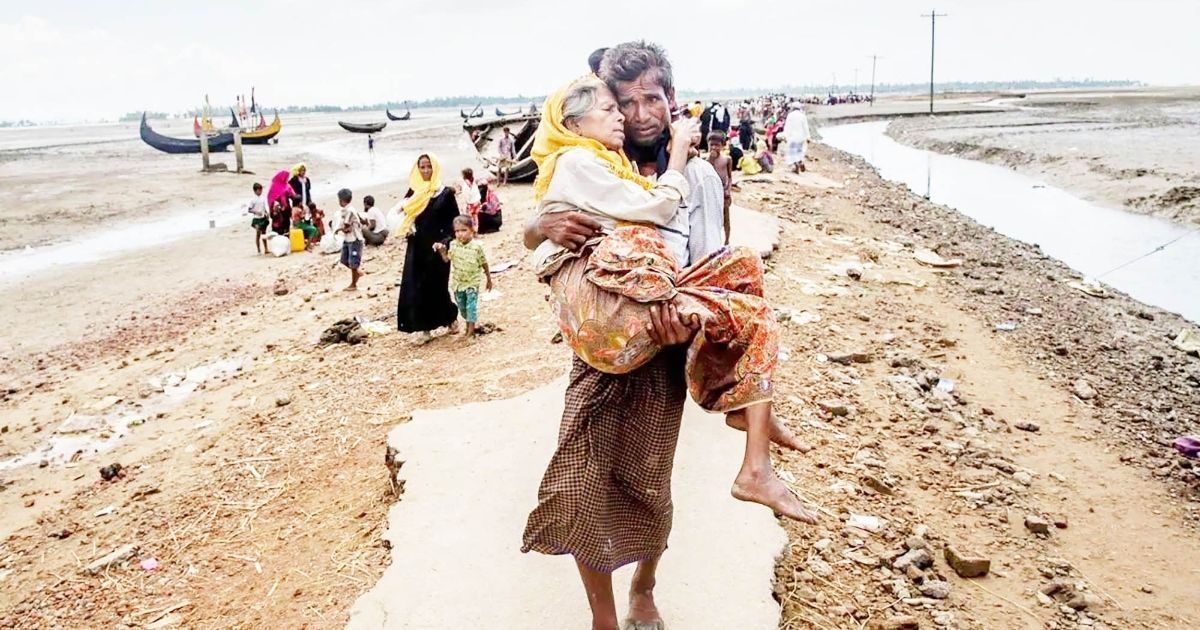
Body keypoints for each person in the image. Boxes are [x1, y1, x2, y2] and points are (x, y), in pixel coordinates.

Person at [522, 42, 807, 630]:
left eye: (651, 99)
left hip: (664, 345)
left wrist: (686, 326)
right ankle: (603, 618)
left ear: (671, 100)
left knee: (649, 484)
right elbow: (547, 236)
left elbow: (709, 261)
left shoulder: (695, 175)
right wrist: (536, 224)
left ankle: (644, 587)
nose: (638, 114)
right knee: (583, 480)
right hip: (601, 351)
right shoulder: (595, 162)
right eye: (623, 102)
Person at [395, 154, 461, 342]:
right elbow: (406, 214)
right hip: (417, 247)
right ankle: (424, 329)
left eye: (428, 166)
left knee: (437, 286)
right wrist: (407, 228)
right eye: (422, 167)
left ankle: (450, 318)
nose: (425, 171)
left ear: (435, 168)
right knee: (417, 286)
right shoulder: (413, 191)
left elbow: (454, 221)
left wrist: (446, 243)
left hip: (438, 247)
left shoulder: (445, 194)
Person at [433, 215, 493, 337]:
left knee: (471, 306)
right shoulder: (453, 245)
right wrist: (442, 250)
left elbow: (484, 263)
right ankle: (468, 324)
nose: (460, 234)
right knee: (462, 307)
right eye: (457, 231)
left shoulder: (476, 247)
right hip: (458, 283)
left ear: (472, 230)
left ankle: (470, 332)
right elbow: (447, 259)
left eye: (464, 230)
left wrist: (488, 278)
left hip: (472, 282)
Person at [706, 131, 733, 244]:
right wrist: (711, 160)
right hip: (711, 193)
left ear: (722, 146)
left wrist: (728, 190)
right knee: (712, 218)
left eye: (717, 145)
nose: (714, 147)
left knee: (726, 218)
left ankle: (726, 241)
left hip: (723, 193)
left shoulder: (727, 160)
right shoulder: (706, 161)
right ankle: (713, 241)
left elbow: (730, 177)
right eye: (711, 145)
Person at [337, 188, 363, 291]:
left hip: (354, 239)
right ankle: (356, 273)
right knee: (344, 260)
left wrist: (338, 229)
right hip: (348, 239)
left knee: (353, 262)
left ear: (341, 200)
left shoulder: (349, 211)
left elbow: (346, 226)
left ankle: (353, 284)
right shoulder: (346, 210)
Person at [782, 102, 811, 173]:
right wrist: (808, 137)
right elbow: (806, 127)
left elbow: (787, 126)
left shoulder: (790, 115)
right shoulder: (802, 116)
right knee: (799, 151)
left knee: (791, 152)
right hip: (801, 137)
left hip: (792, 137)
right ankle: (800, 162)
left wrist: (785, 136)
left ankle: (796, 165)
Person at [267, 170, 295, 235]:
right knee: (278, 228)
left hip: (286, 210)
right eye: (286, 177)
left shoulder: (287, 186)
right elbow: (271, 199)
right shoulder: (273, 187)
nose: (287, 179)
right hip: (277, 211)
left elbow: (293, 196)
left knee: (286, 226)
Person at [246, 182, 268, 254]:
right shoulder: (253, 200)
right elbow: (249, 209)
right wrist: (256, 212)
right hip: (256, 218)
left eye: (261, 190)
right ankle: (258, 249)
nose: (260, 191)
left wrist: (266, 213)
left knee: (264, 233)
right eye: (259, 190)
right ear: (255, 191)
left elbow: (264, 207)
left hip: (263, 217)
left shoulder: (263, 198)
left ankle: (266, 248)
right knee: (258, 233)